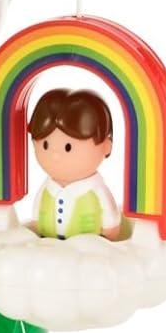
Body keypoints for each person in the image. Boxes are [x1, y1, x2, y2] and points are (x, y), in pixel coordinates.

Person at [28, 88, 121, 240]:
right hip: (48, 244)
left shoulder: (96, 191)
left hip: (86, 247)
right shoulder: (48, 187)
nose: (55, 155)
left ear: (106, 146)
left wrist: (108, 237)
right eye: (45, 145)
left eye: (68, 147)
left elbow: (111, 224)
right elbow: (36, 216)